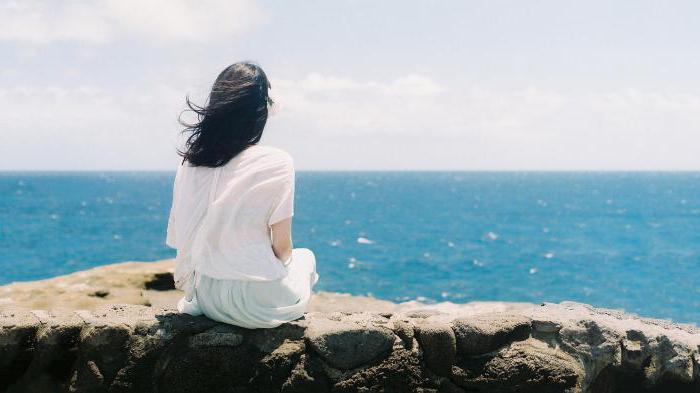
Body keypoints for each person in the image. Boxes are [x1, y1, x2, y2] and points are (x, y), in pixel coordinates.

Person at [165, 62, 319, 329]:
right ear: (261, 111)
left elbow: (181, 239)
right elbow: (283, 249)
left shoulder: (189, 164)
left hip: (207, 298)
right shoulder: (277, 161)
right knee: (305, 258)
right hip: (257, 305)